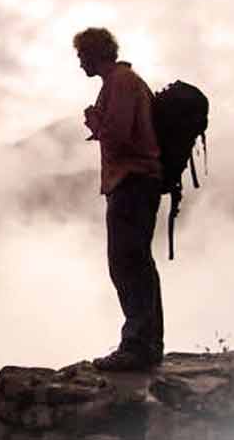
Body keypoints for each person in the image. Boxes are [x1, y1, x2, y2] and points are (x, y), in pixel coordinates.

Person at [73, 27, 165, 371]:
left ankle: (138, 345)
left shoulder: (120, 83)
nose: (79, 63)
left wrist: (95, 121)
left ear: (95, 54)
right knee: (137, 262)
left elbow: (120, 136)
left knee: (127, 263)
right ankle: (145, 342)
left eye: (82, 55)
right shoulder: (122, 82)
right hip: (135, 181)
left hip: (132, 181)